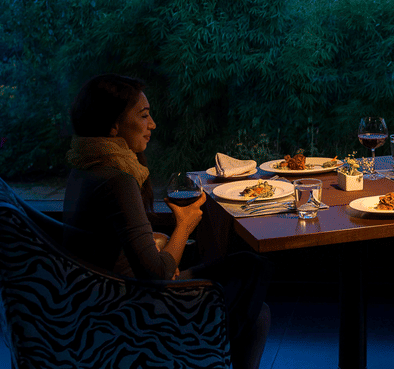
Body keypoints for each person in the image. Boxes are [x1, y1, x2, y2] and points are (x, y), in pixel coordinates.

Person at [63, 74, 272, 369]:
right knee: (253, 267)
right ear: (113, 124)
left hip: (101, 294)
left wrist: (156, 244)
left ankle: (209, 343)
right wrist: (184, 225)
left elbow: (106, 242)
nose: (152, 125)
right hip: (131, 303)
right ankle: (202, 344)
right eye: (144, 115)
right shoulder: (117, 179)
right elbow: (157, 275)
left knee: (257, 309)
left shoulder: (84, 167)